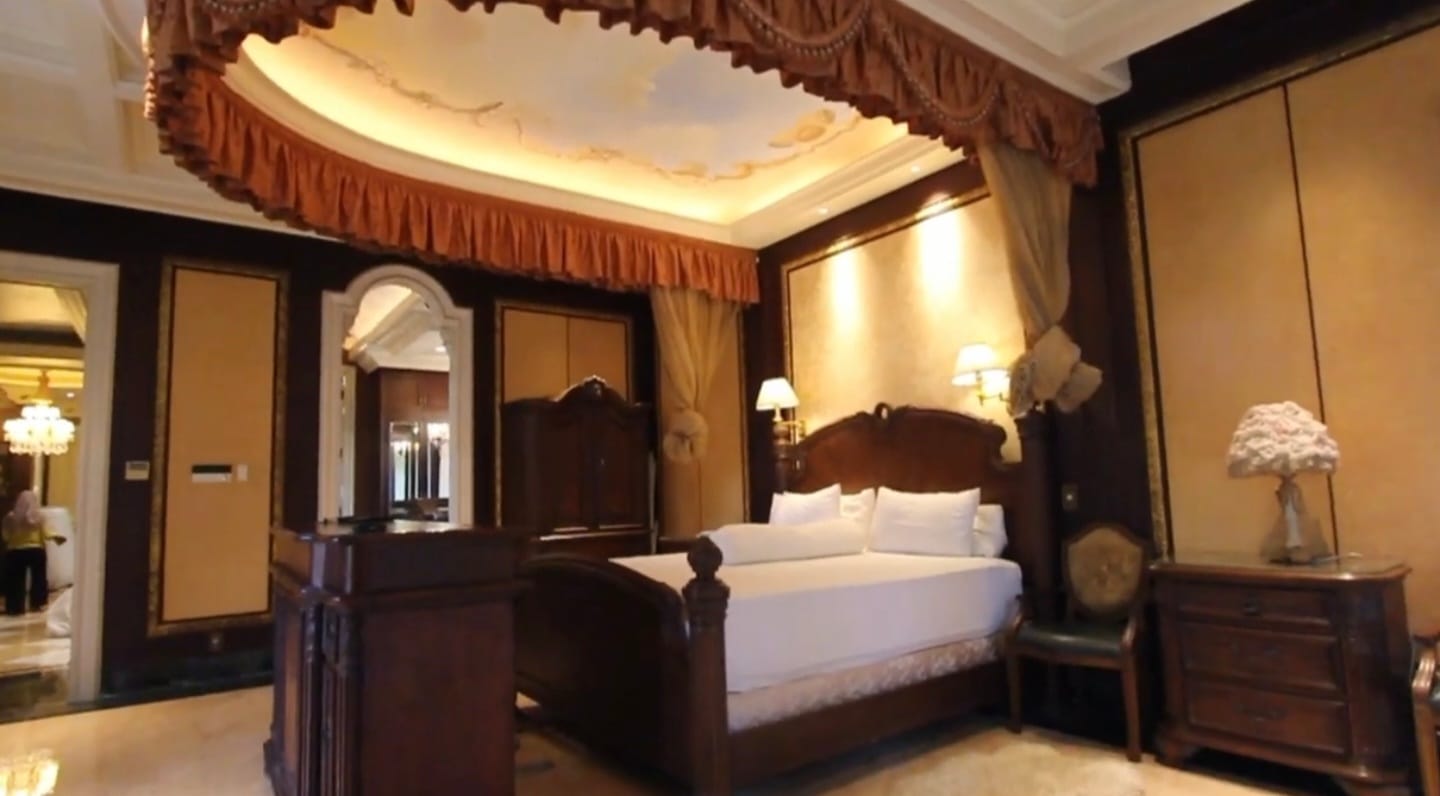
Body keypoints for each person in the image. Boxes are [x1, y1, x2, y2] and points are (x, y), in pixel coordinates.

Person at [2, 491, 63, 615]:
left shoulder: (11, 517)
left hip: (15, 551)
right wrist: (56, 537)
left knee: (15, 580)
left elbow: (6, 535)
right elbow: (47, 532)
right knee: (39, 578)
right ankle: (38, 603)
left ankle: (15, 607)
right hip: (36, 550)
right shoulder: (39, 517)